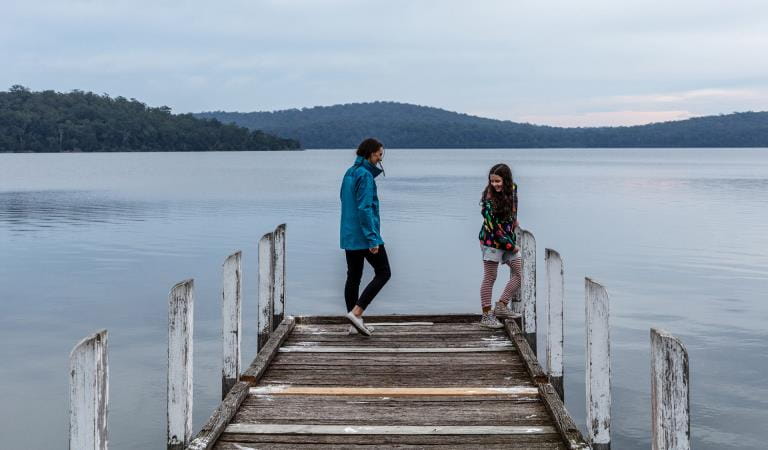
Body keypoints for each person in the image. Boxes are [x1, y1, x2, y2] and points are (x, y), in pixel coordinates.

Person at [339, 138, 391, 336]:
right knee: (384, 272)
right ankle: (356, 312)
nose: (380, 159)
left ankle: (353, 323)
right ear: (370, 153)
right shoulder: (365, 175)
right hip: (363, 235)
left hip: (349, 234)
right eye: (379, 154)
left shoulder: (349, 172)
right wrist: (372, 238)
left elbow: (345, 201)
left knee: (353, 276)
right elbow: (364, 208)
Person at [477, 163, 521, 329]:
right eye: (492, 181)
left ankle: (501, 306)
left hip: (507, 238)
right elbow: (493, 227)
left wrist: (514, 220)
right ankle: (487, 315)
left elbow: (514, 206)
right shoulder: (489, 199)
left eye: (498, 181)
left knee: (519, 272)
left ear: (506, 180)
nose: (495, 184)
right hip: (491, 241)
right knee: (490, 277)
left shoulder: (513, 188)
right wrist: (511, 246)